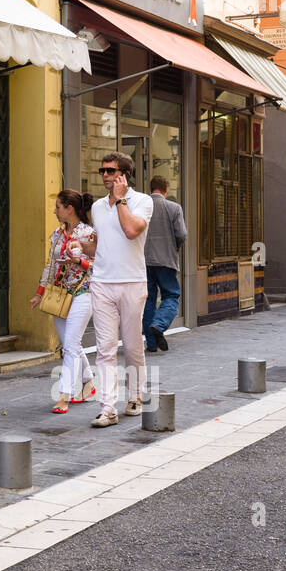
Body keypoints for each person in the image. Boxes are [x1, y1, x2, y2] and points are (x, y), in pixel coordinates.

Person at [88, 152, 154, 428]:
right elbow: (101, 244)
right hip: (101, 282)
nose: (104, 175)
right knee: (104, 349)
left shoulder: (143, 202)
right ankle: (107, 408)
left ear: (124, 175)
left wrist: (120, 200)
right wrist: (81, 247)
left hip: (132, 282)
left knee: (131, 344)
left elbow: (130, 231)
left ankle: (135, 395)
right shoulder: (97, 208)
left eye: (110, 170)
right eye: (102, 170)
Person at [30, 189, 98, 413]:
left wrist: (79, 262)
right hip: (58, 295)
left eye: (58, 207)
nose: (54, 211)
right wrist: (40, 293)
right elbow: (50, 266)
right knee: (72, 344)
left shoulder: (89, 234)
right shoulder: (57, 235)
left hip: (83, 292)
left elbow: (99, 266)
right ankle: (88, 380)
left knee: (69, 346)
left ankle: (64, 395)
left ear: (69, 209)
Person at [143, 175, 187, 352]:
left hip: (144, 261)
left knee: (148, 300)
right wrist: (174, 248)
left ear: (151, 188)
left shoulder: (142, 208)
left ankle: (151, 344)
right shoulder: (174, 208)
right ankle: (159, 325)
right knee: (171, 295)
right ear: (166, 189)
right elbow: (182, 234)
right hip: (166, 260)